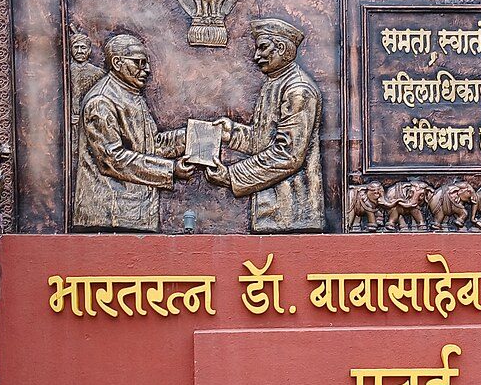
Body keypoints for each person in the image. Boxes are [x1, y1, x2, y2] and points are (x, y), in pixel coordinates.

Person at [206, 17, 324, 232]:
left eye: (262, 48)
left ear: (280, 48)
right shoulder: (275, 84)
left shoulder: (298, 90)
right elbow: (264, 140)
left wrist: (231, 175)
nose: (256, 56)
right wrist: (231, 133)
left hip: (292, 209)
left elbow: (288, 154)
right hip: (273, 208)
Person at [72, 33, 193, 231]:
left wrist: (195, 136)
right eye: (139, 62)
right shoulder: (101, 102)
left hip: (133, 214)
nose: (147, 69)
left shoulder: (130, 95)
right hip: (110, 216)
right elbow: (113, 160)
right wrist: (170, 170)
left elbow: (153, 144)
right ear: (118, 63)